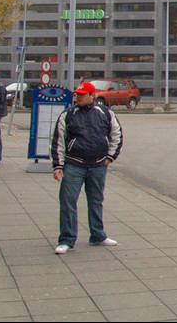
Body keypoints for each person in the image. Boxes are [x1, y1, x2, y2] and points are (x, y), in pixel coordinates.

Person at [51, 81, 123, 254]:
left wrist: (110, 157)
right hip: (74, 164)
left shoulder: (105, 113)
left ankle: (98, 234)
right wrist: (58, 165)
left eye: (82, 95)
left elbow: (117, 134)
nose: (79, 97)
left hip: (98, 165)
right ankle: (67, 239)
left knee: (96, 200)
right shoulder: (68, 115)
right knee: (68, 201)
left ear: (92, 96)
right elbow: (58, 140)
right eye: (77, 94)